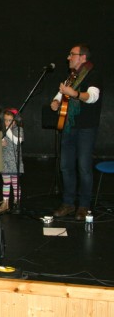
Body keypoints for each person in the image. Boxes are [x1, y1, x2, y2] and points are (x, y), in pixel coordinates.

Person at [51, 44, 102, 221]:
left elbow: (93, 96)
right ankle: (68, 203)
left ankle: (84, 206)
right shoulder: (71, 76)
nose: (68, 57)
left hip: (86, 128)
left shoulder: (93, 74)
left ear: (82, 57)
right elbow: (61, 93)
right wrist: (56, 102)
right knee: (66, 166)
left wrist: (74, 93)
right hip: (69, 126)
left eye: (72, 54)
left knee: (83, 167)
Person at [0, 108, 24, 213]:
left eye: (10, 120)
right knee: (6, 183)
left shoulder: (18, 130)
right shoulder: (1, 131)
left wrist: (7, 130)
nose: (7, 122)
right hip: (5, 161)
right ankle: (5, 202)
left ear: (15, 121)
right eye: (5, 120)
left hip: (14, 161)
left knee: (15, 183)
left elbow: (17, 141)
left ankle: (16, 201)